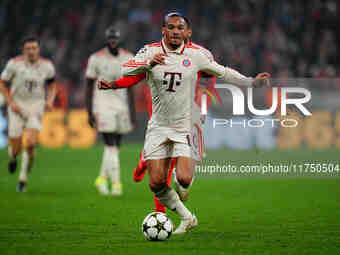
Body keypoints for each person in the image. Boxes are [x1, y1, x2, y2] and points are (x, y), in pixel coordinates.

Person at [98, 12, 270, 234]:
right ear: (163, 30)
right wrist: (147, 64)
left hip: (186, 123)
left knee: (184, 177)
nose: (176, 31)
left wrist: (251, 82)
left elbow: (223, 72)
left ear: (188, 33)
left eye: (180, 28)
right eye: (171, 27)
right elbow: (125, 70)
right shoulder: (150, 50)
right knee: (156, 182)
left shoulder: (197, 55)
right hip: (158, 125)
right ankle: (187, 217)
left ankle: (182, 188)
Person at [0, 35, 57, 192]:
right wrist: (11, 102)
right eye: (28, 49)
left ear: (38, 49)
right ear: (23, 50)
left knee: (31, 143)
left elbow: (52, 86)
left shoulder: (47, 66)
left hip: (36, 106)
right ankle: (13, 158)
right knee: (16, 147)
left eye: (34, 48)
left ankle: (22, 179)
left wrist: (50, 100)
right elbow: (2, 84)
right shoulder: (14, 64)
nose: (31, 51)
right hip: (17, 106)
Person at [85, 25, 136, 196]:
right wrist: (89, 111)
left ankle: (101, 178)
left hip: (121, 105)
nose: (112, 41)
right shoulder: (96, 58)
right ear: (107, 40)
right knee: (110, 144)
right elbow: (88, 85)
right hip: (103, 104)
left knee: (115, 147)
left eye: (115, 38)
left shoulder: (129, 58)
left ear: (119, 40)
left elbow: (131, 86)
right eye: (110, 38)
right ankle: (116, 185)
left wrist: (132, 112)